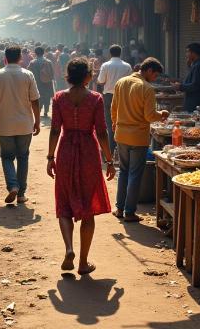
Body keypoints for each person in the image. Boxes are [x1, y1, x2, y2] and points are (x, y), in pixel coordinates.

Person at [46, 58, 116, 275]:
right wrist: (109, 159)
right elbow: (102, 132)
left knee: (64, 203)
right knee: (88, 209)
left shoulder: (59, 98)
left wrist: (50, 157)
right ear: (87, 76)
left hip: (66, 151)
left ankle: (69, 249)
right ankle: (83, 262)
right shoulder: (95, 99)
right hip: (88, 152)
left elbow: (55, 130)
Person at [111, 58, 169, 222]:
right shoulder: (147, 88)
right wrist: (162, 114)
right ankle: (130, 212)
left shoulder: (121, 82)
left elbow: (113, 108)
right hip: (138, 137)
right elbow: (149, 116)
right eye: (155, 75)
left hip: (121, 134)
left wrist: (116, 124)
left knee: (123, 171)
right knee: (135, 174)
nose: (155, 78)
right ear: (149, 71)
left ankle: (119, 208)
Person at [0, 45, 41, 204]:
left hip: (5, 124)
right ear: (20, 58)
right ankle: (21, 194)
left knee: (7, 157)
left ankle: (12, 186)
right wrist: (37, 121)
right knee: (23, 157)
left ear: (5, 58)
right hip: (25, 124)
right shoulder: (27, 74)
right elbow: (35, 100)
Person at [97, 45, 132, 158]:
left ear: (110, 54)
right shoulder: (127, 66)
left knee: (109, 123)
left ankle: (110, 151)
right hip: (123, 96)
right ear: (120, 53)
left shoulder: (105, 65)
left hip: (108, 97)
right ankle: (121, 151)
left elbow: (100, 81)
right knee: (122, 123)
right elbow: (130, 82)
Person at [172, 43, 200, 112]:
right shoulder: (196, 64)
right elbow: (190, 80)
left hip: (196, 103)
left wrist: (180, 86)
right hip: (194, 102)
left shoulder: (199, 65)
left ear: (193, 53)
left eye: (187, 52)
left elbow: (195, 85)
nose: (186, 55)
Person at [29, 46, 55, 117]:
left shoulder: (32, 62)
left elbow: (29, 73)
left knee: (38, 97)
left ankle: (38, 111)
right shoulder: (48, 62)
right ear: (43, 53)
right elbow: (52, 73)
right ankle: (46, 112)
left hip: (37, 83)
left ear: (35, 53)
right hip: (47, 83)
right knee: (47, 97)